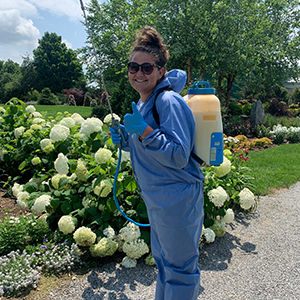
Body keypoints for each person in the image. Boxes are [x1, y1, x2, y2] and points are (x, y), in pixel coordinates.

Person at [110, 26, 204, 300]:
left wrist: (144, 132)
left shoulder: (168, 101)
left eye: (147, 68)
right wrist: (126, 141)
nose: (139, 73)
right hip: (160, 200)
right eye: (133, 67)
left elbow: (177, 155)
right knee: (165, 265)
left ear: (161, 71)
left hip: (178, 200)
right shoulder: (145, 103)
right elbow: (152, 149)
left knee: (181, 271)